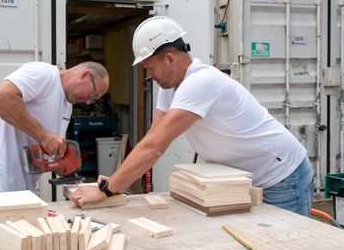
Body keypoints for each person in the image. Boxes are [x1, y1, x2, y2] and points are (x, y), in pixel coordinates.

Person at [71, 16, 315, 216]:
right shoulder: (170, 88)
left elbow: (155, 147)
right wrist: (115, 181)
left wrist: (107, 191)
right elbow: (152, 139)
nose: (148, 76)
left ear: (168, 59)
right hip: (243, 179)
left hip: (282, 177)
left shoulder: (202, 81)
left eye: (150, 68)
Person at [0, 61, 109, 194]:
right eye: (93, 95)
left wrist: (62, 166)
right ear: (85, 75)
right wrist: (43, 136)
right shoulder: (45, 74)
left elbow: (45, 147)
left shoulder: (67, 105)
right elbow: (0, 97)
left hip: (20, 189)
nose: (89, 102)